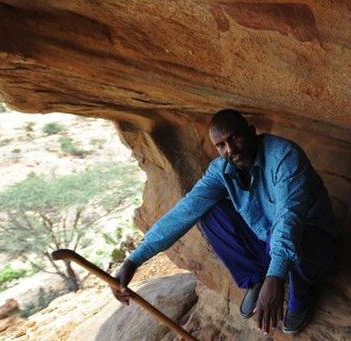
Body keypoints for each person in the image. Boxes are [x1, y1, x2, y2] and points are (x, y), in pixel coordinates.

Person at [111, 109, 339, 334]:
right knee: (209, 211)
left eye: (235, 138)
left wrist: (276, 276)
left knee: (294, 236)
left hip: (310, 238)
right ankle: (256, 277)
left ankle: (300, 291)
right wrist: (133, 261)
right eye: (221, 145)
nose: (230, 150)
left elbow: (289, 219)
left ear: (251, 131)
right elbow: (184, 212)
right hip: (268, 235)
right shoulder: (221, 170)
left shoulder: (284, 156)